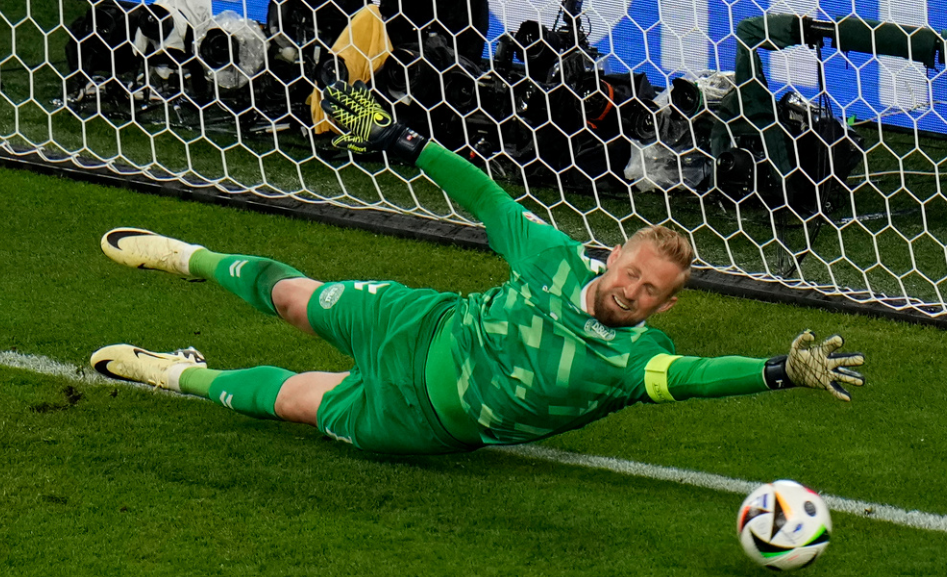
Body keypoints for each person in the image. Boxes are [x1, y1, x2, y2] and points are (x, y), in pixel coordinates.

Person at [91, 81, 865, 455]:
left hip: (422, 419)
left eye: (649, 293)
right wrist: (403, 143)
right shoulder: (555, 257)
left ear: (661, 308)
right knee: (295, 298)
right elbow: (491, 201)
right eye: (631, 272)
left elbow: (695, 377)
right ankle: (184, 257)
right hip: (419, 320)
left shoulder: (637, 362)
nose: (631, 291)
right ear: (616, 251)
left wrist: (772, 370)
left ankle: (172, 372)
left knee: (293, 401)